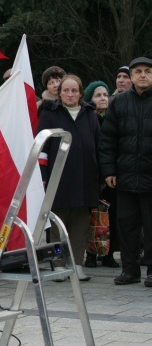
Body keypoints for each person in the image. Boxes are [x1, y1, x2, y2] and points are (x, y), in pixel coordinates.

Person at [37, 74, 100, 282]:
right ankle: (57, 264)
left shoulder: (90, 114)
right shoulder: (49, 114)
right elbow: (43, 149)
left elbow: (99, 146)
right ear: (59, 92)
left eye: (74, 91)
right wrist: (43, 176)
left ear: (81, 93)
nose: (70, 94)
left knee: (80, 225)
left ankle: (77, 264)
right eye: (66, 90)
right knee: (57, 224)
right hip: (58, 179)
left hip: (85, 178)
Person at [100, 56, 152, 287]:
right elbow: (108, 140)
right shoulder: (118, 103)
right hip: (125, 176)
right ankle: (130, 270)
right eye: (138, 71)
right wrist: (109, 169)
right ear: (130, 77)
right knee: (127, 225)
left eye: (148, 71)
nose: (143, 75)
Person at [83, 79, 120, 269]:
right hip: (92, 176)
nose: (103, 98)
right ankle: (91, 254)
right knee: (93, 217)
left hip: (111, 175)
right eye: (98, 95)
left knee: (111, 217)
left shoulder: (113, 118)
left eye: (105, 94)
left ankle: (109, 254)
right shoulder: (88, 118)